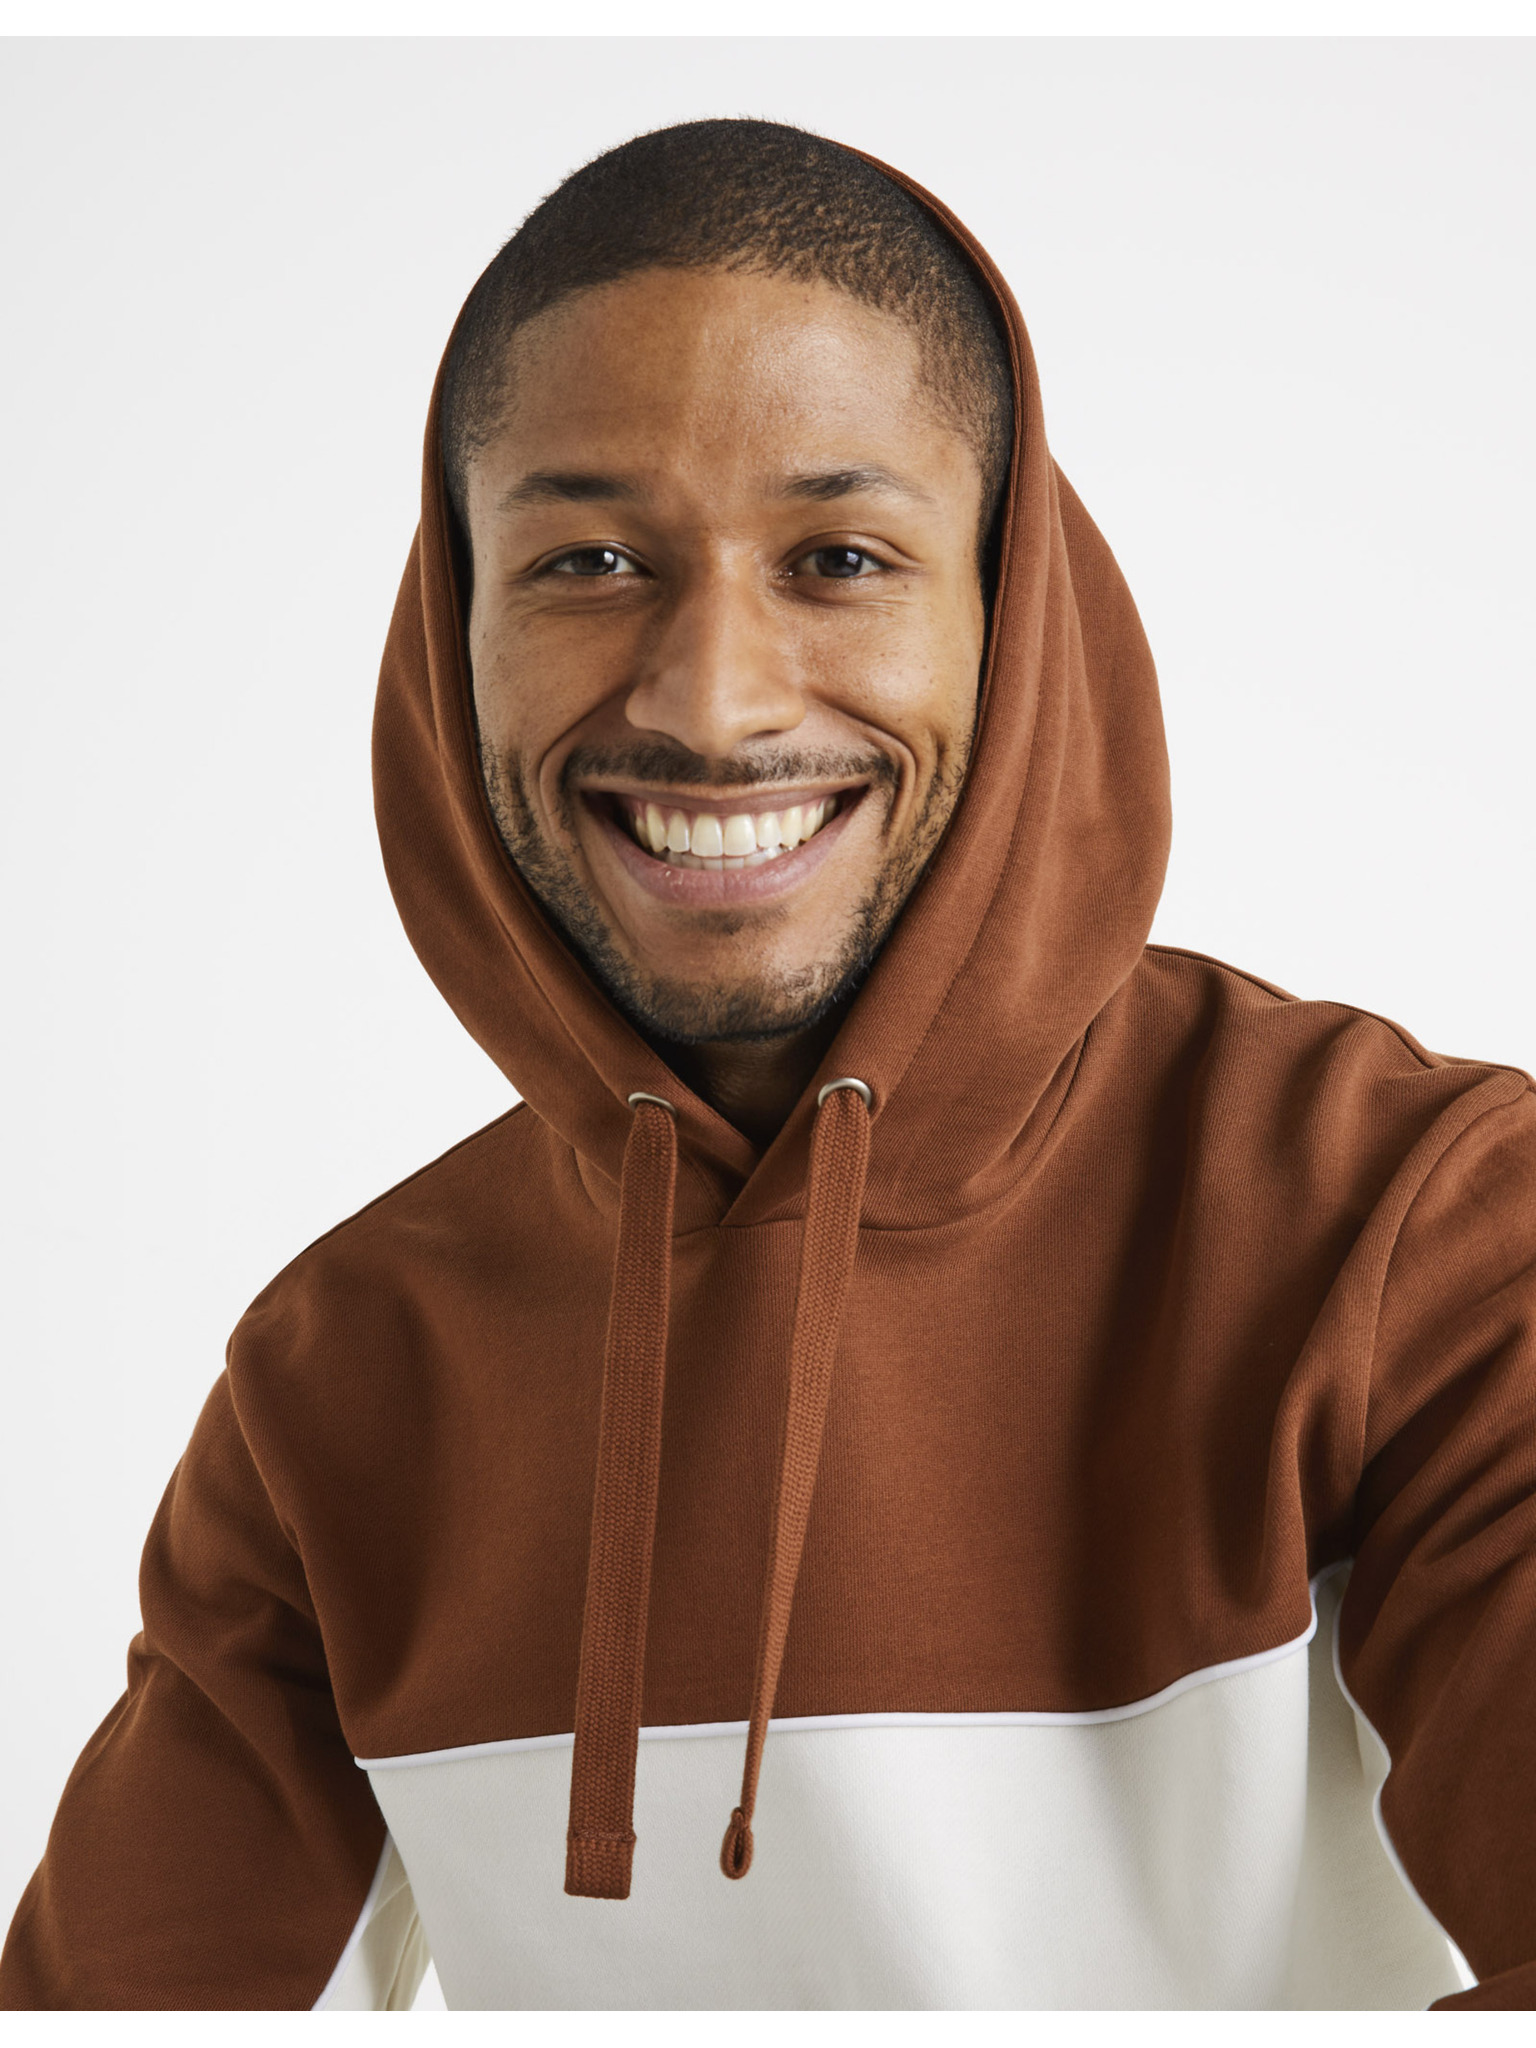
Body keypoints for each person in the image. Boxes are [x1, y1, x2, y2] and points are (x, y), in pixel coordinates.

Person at [3, 117, 1532, 2014]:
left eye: (838, 558)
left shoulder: (1419, 1227)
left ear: (1013, 611)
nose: (713, 700)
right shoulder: (340, 1384)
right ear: (450, 631)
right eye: (587, 561)